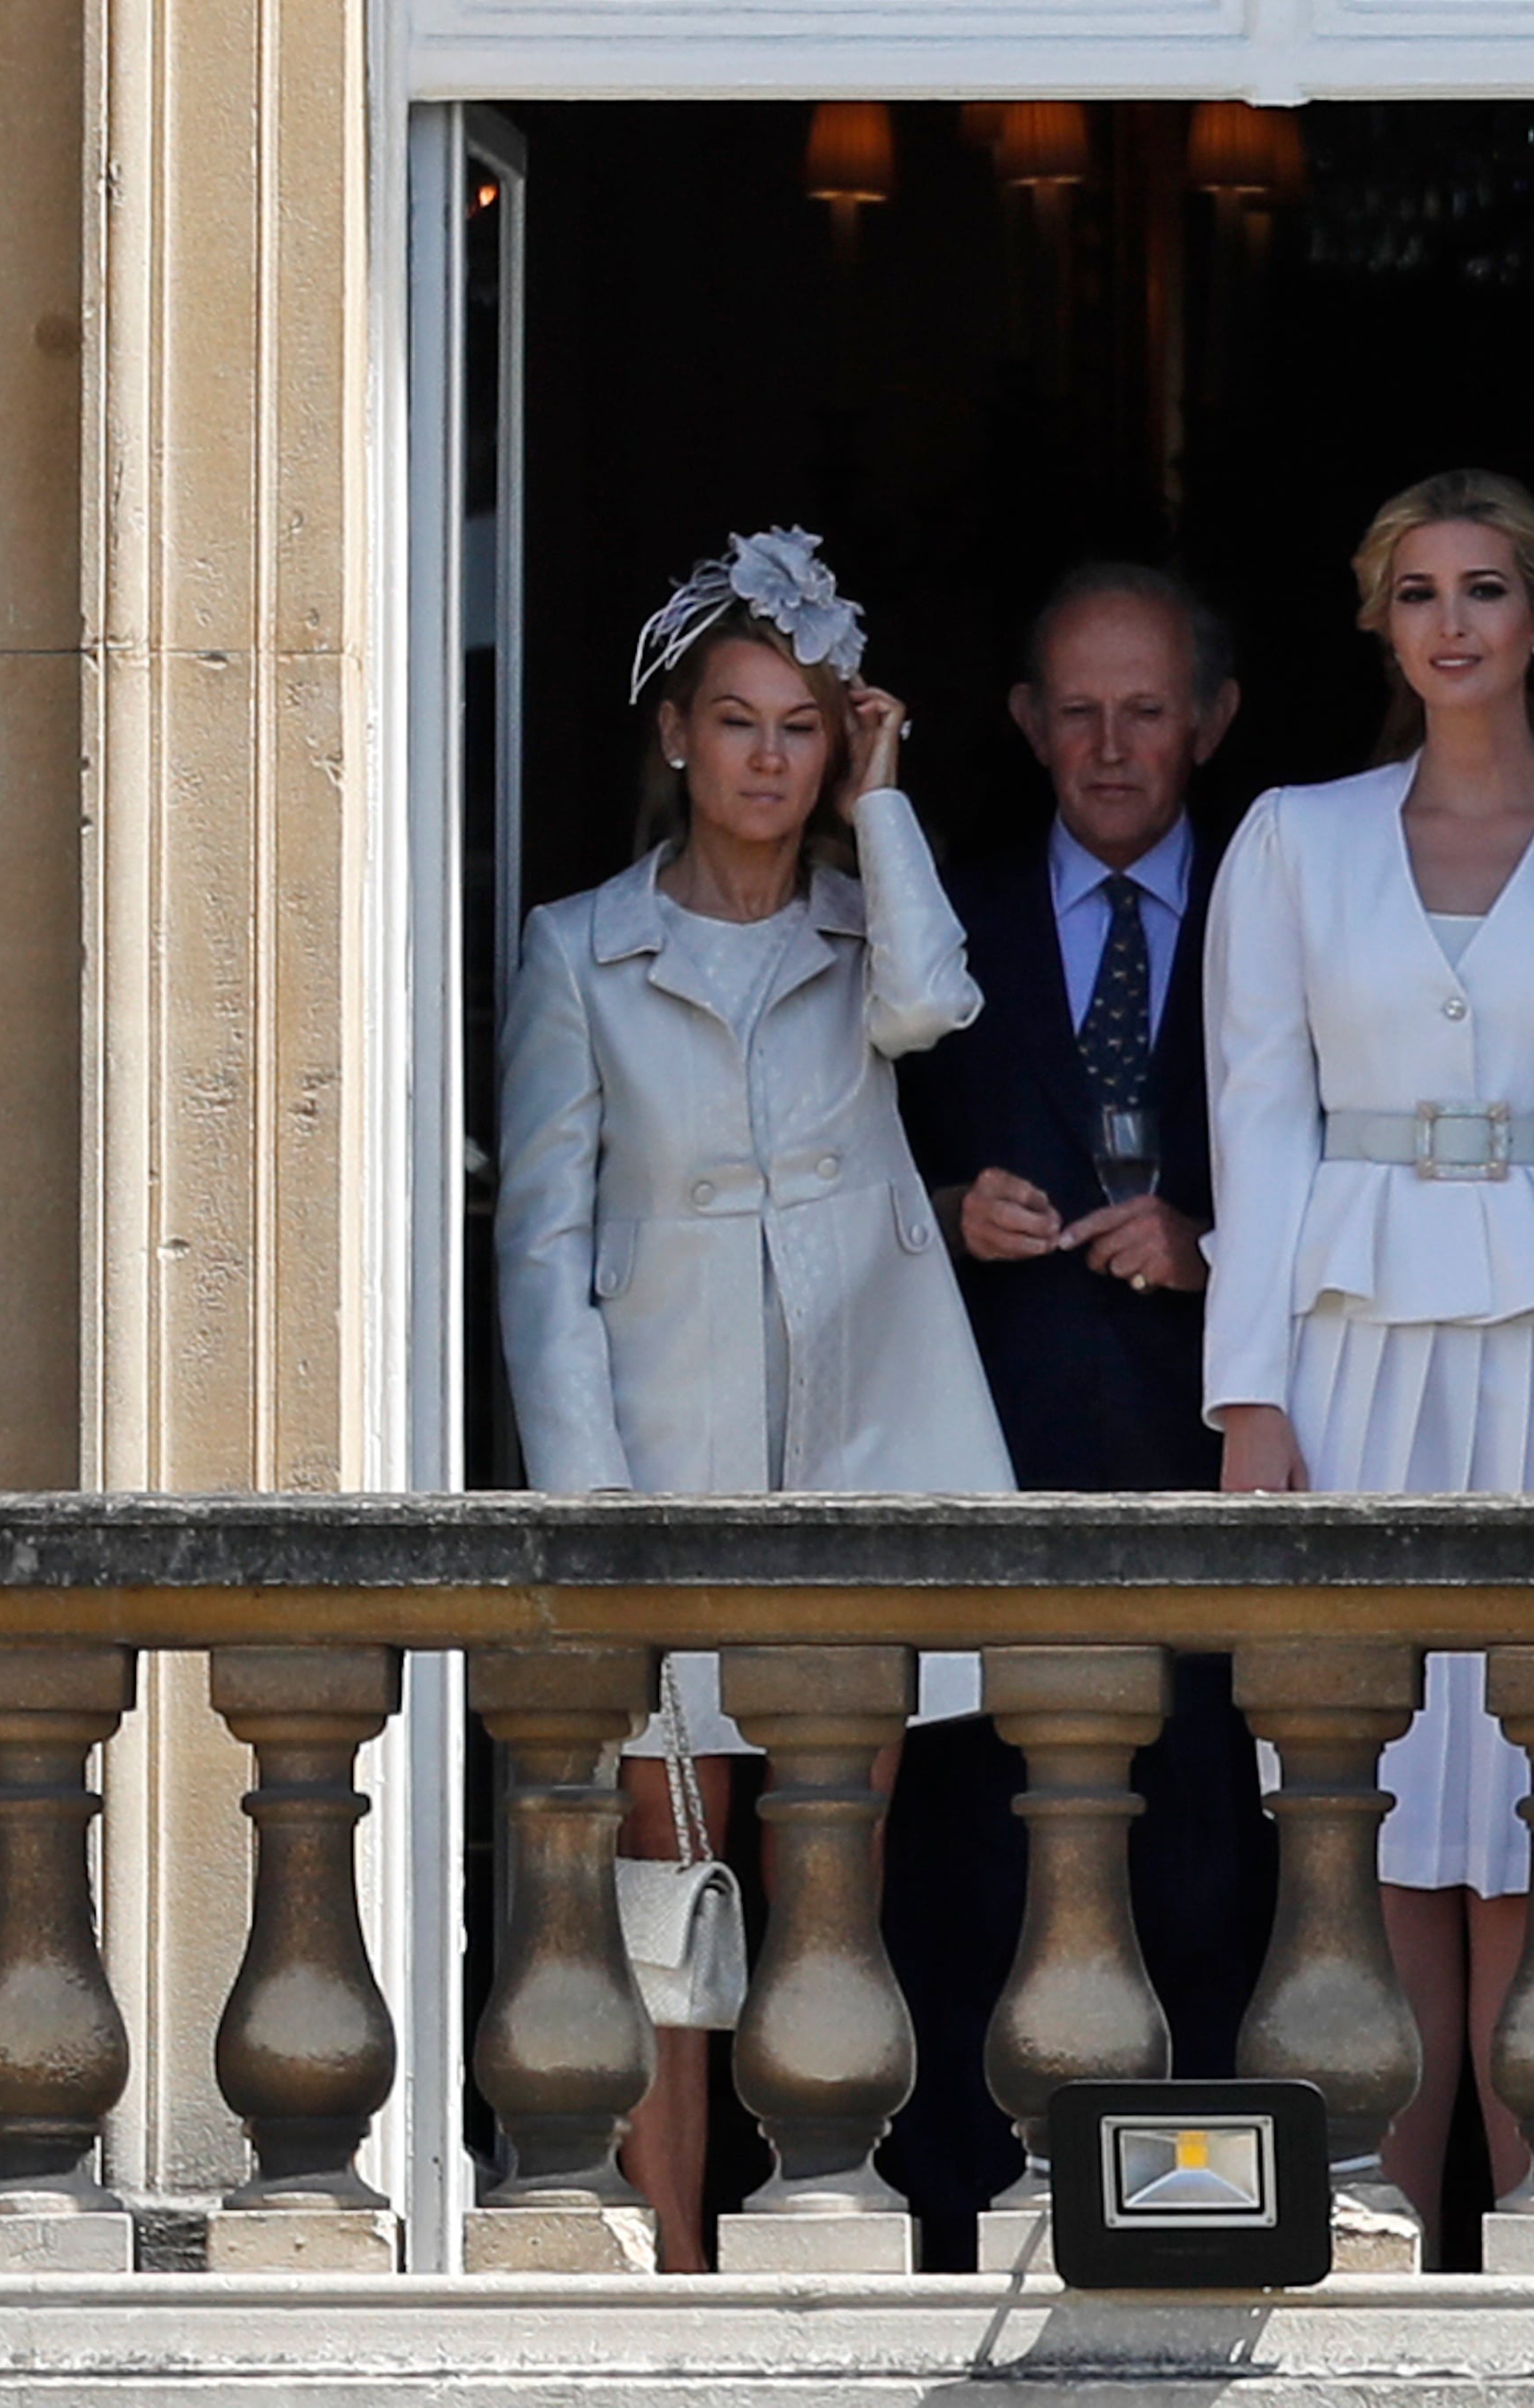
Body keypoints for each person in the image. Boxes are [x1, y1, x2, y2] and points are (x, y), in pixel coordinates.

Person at [1203, 469, 1534, 2256]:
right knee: (1377, 1817)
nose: (1452, 622)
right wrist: (1247, 1395)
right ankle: (1380, 2246)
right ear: (1383, 622)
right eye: (1415, 590)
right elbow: (1255, 1122)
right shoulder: (1290, 835)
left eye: (1485, 588)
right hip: (1350, 1356)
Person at [494, 525, 1012, 2270]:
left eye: (805, 724)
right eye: (739, 721)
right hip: (668, 1456)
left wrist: (889, 796)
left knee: (825, 1878)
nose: (770, 755)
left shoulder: (876, 925)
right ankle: (669, 2266)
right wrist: (594, 1509)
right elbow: (541, 1249)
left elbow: (939, 1002)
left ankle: (821, 2232)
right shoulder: (577, 949)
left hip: (857, 1451)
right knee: (668, 1896)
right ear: (675, 737)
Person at [887, 565, 1275, 2240]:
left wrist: (1221, 1243)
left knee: (1215, 1863)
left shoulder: (1295, 911)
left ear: (1212, 721)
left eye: (1147, 709)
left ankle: (1199, 2213)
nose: (1112, 748)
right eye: (1079, 711)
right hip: (996, 1465)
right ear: (1030, 726)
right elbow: (849, 1169)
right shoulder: (939, 922)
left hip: (1217, 1463)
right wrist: (947, 1206)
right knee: (983, 1867)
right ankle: (970, 2218)